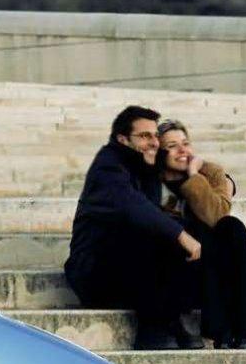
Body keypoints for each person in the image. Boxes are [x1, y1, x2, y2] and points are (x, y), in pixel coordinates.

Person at [65, 106, 204, 350]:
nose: (154, 142)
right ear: (123, 139)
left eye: (155, 136)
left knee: (197, 232)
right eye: (144, 136)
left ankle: (176, 321)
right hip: (94, 273)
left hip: (127, 270)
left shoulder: (145, 164)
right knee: (154, 232)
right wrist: (181, 236)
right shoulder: (108, 166)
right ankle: (154, 330)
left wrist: (206, 175)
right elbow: (132, 207)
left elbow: (194, 167)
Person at [156, 119, 246, 349]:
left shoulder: (210, 173)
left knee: (231, 227)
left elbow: (216, 215)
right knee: (198, 232)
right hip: (182, 272)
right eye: (172, 146)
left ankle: (244, 333)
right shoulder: (151, 183)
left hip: (219, 269)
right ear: (158, 152)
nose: (182, 150)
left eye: (185, 143)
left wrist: (194, 176)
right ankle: (220, 332)